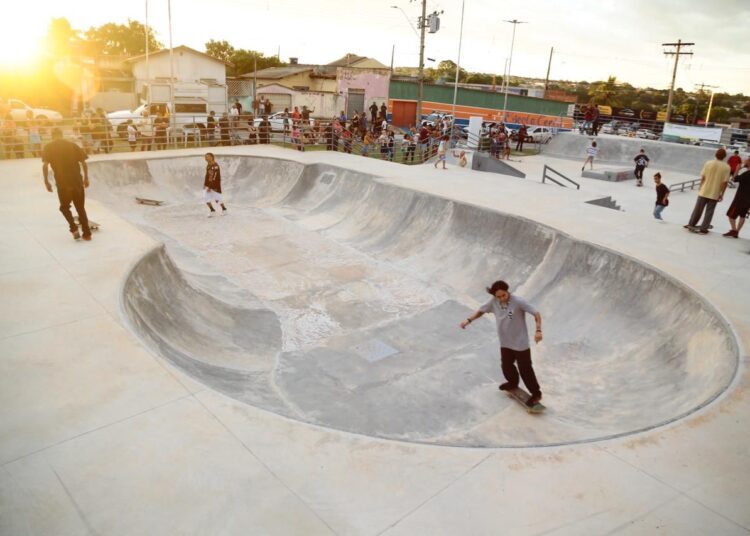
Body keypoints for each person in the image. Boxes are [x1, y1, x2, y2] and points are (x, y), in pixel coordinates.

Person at [460, 280, 544, 408]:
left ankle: (536, 393)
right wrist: (469, 320)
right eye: (498, 297)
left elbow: (536, 314)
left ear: (507, 291)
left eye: (503, 295)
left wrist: (538, 330)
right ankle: (512, 383)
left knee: (525, 369)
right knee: (506, 365)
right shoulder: (494, 302)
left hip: (520, 343)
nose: (501, 299)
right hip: (505, 342)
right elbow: (481, 311)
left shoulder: (518, 301)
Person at [42, 128, 92, 241]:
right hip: (77, 181)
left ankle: (73, 228)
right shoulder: (72, 145)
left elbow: (45, 165)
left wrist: (46, 181)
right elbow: (84, 163)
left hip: (63, 183)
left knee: (64, 208)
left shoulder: (48, 147)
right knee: (80, 208)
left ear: (52, 136)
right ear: (61, 134)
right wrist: (86, 178)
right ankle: (87, 234)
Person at [685, 148, 731, 234]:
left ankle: (691, 223)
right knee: (709, 212)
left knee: (697, 210)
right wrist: (722, 194)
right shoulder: (726, 167)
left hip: (704, 190)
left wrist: (700, 187)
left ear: (715, 154)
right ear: (724, 156)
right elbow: (725, 182)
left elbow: (703, 177)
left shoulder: (708, 163)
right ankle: (704, 228)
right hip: (715, 193)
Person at [723, 156, 750, 238]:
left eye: (746, 160)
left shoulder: (747, 174)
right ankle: (737, 231)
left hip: (740, 199)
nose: (744, 161)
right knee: (742, 215)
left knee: (730, 215)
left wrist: (737, 169)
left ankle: (734, 230)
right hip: (748, 200)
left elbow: (734, 179)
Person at [203, 153, 227, 217]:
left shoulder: (215, 166)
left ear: (212, 157)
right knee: (206, 198)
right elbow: (207, 175)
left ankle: (224, 209)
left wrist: (210, 187)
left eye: (207, 157)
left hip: (215, 185)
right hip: (208, 185)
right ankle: (212, 210)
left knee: (217, 199)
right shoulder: (208, 165)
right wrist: (205, 184)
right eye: (205, 157)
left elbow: (215, 178)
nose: (206, 158)